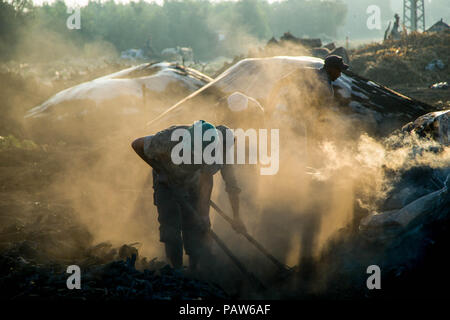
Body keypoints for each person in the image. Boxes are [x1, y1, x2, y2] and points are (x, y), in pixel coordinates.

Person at [131, 120, 246, 272]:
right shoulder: (169, 138)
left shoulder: (215, 150)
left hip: (193, 183)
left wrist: (207, 215)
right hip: (166, 181)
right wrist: (160, 171)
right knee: (170, 226)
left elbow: (209, 182)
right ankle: (175, 270)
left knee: (197, 226)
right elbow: (136, 144)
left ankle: (195, 269)